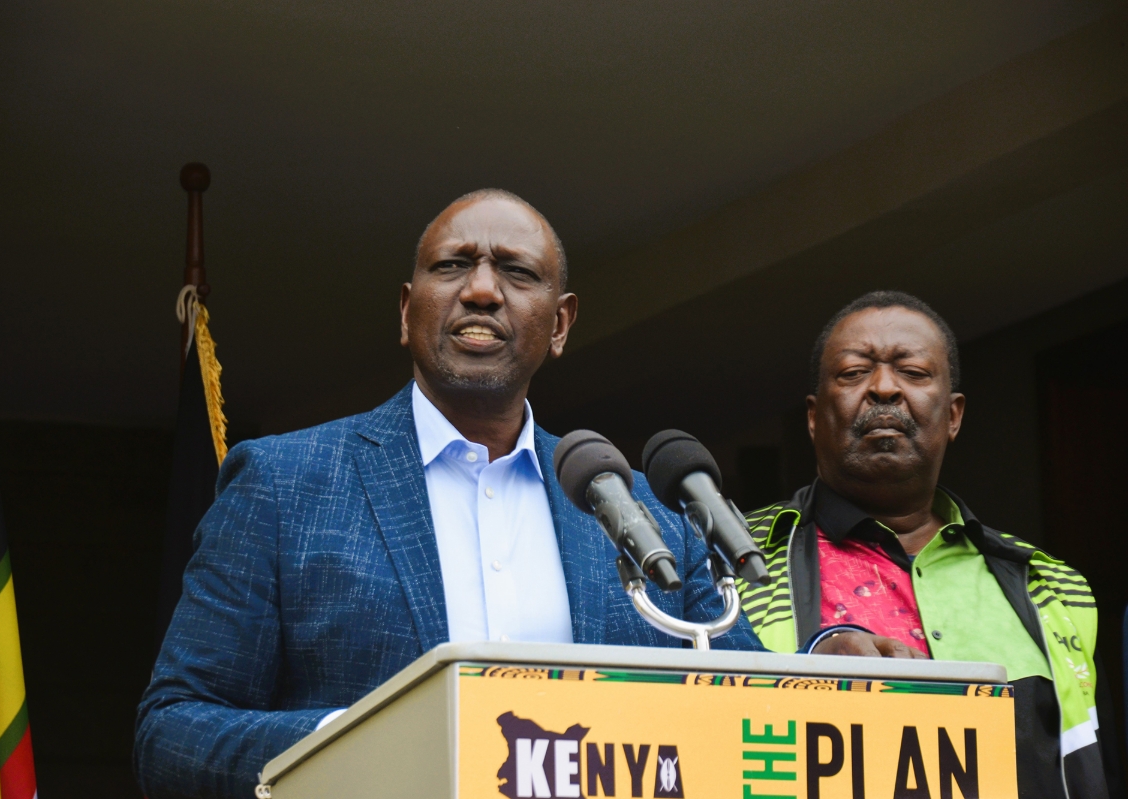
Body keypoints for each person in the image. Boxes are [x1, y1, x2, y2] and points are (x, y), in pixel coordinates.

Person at [134, 192, 909, 799]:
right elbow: (169, 734)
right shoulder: (283, 484)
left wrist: (821, 667)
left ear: (560, 323)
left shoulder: (642, 512)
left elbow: (738, 706)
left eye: (517, 272)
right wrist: (353, 743)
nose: (480, 289)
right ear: (407, 312)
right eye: (452, 267)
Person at [737, 290, 1118, 799]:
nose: (884, 388)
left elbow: (1093, 771)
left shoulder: (1051, 586)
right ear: (812, 417)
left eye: (912, 372)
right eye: (854, 372)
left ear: (955, 415)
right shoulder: (732, 557)